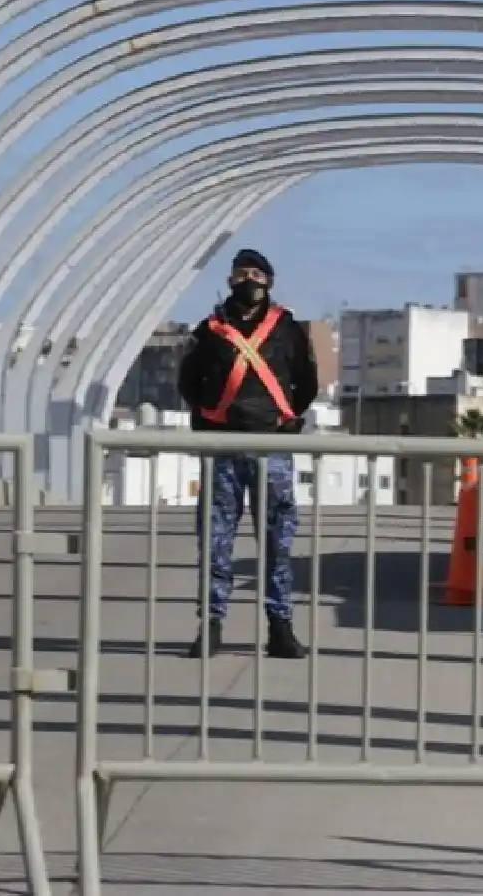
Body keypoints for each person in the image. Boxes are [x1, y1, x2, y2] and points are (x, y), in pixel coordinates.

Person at [177, 249, 319, 659]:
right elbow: (188, 380)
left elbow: (306, 381)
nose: (249, 280)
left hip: (271, 446)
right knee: (216, 539)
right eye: (242, 273)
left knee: (278, 540)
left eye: (256, 274)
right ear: (230, 280)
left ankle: (280, 627)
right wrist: (209, 417)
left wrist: (287, 417)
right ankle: (212, 624)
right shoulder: (211, 329)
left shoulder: (288, 328)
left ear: (269, 282)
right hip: (223, 446)